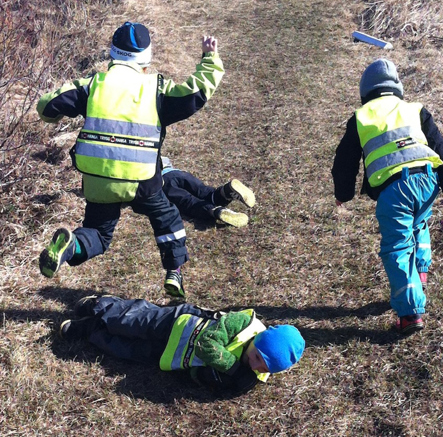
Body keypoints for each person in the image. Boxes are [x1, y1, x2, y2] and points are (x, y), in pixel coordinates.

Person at [37, 22, 225, 298]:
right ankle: (174, 272)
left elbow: (46, 107)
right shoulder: (156, 88)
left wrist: (55, 116)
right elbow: (195, 94)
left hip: (98, 179)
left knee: (99, 233)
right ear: (146, 57)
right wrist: (210, 59)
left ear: (112, 54)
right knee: (167, 216)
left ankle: (70, 246)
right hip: (142, 179)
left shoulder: (92, 85)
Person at [331, 58, 443, 334]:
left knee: (397, 247)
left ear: (365, 92)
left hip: (394, 189)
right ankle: (420, 273)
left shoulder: (362, 117)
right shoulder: (415, 109)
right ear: (397, 88)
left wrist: (343, 194)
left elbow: (346, 160)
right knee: (419, 225)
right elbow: (440, 145)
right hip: (428, 180)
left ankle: (410, 312)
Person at [59, 295, 305, 394]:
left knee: (123, 350)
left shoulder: (251, 377)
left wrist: (209, 378)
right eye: (259, 358)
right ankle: (100, 305)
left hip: (169, 356)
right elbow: (206, 345)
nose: (259, 367)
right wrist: (232, 369)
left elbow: (201, 376)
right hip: (175, 323)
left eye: (267, 369)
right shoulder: (243, 323)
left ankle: (88, 330)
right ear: (259, 341)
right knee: (131, 320)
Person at [161, 157, 255, 228]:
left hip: (160, 181)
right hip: (175, 172)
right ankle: (226, 191)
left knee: (188, 202)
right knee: (205, 191)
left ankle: (215, 211)